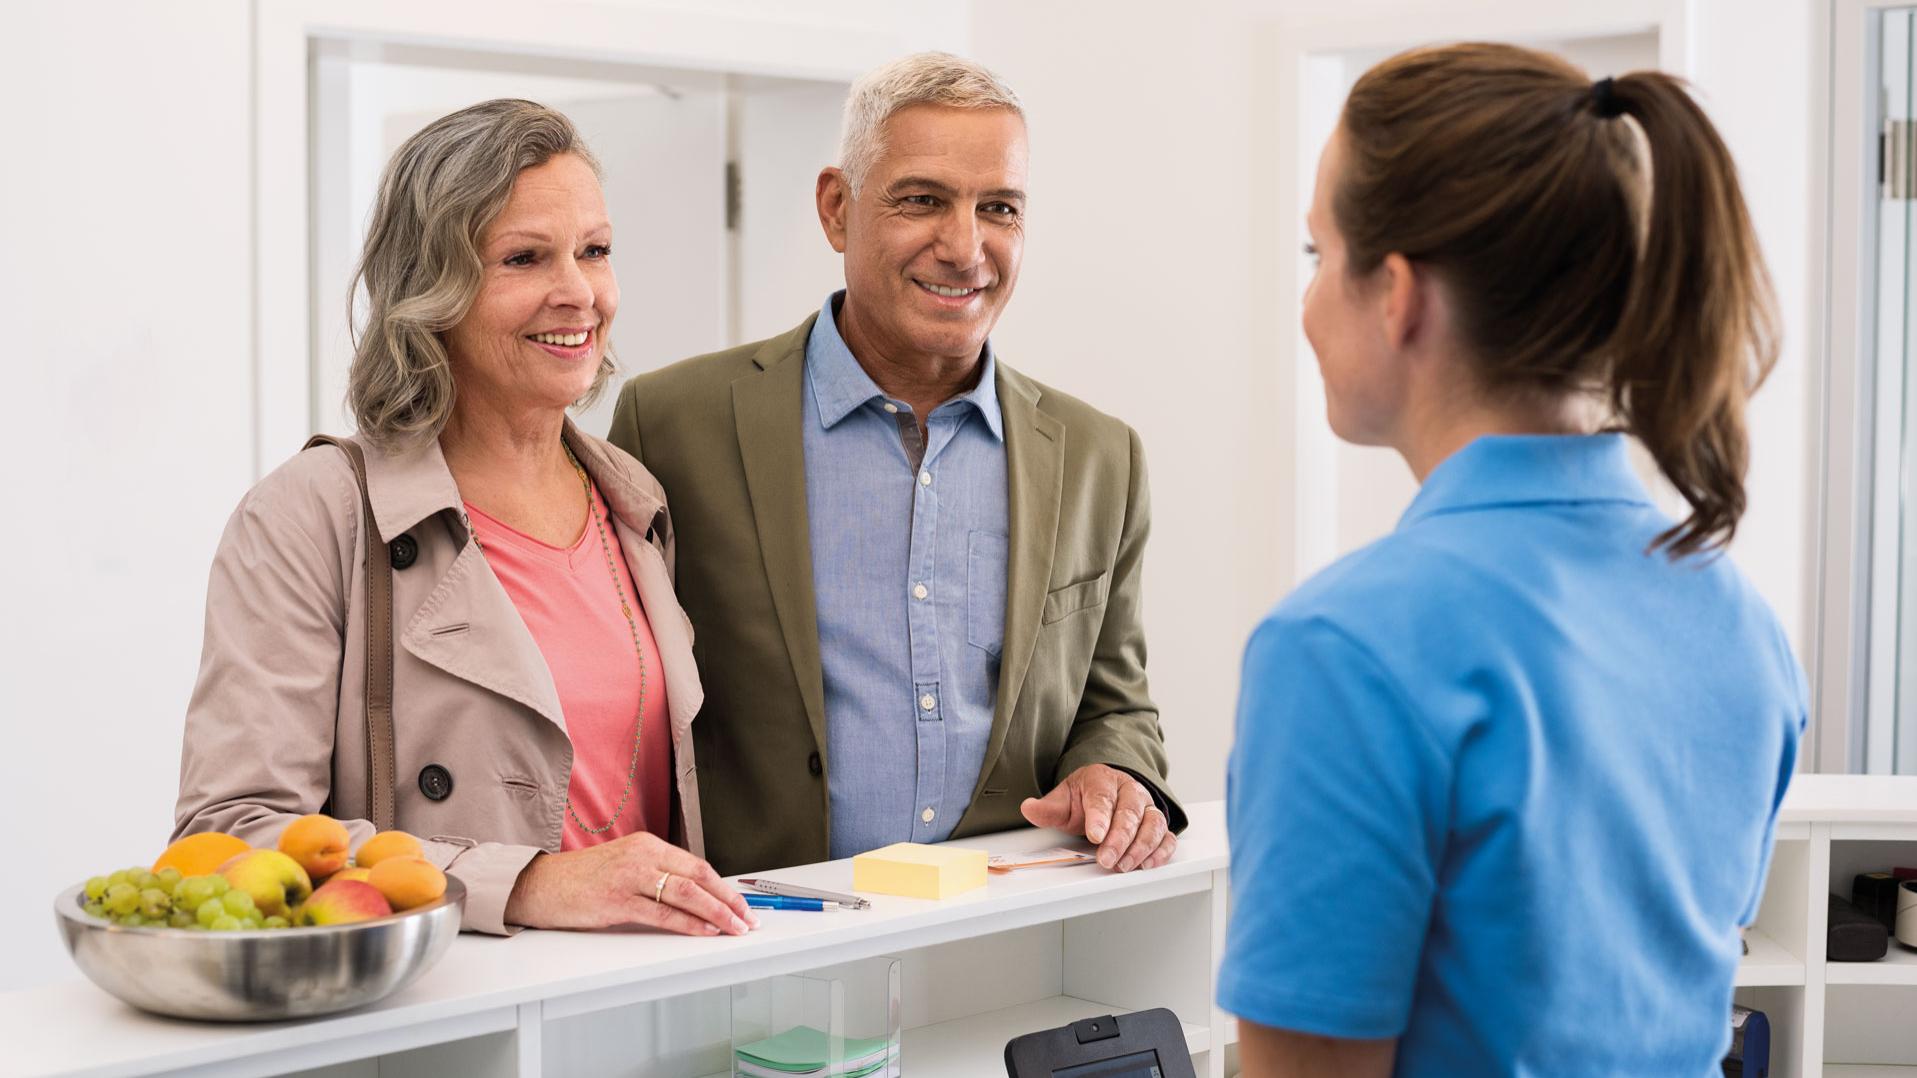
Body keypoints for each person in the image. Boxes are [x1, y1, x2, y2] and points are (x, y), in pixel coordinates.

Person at [1218, 44, 1804, 1077]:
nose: (1306, 305)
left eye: (1318, 256)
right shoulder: (1740, 626)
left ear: (1397, 294)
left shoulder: (1343, 650)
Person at [174, 99, 756, 940]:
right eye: (524, 258)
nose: (579, 293)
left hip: (648, 999)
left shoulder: (634, 500)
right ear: (429, 292)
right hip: (446, 1011)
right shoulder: (312, 514)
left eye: (594, 251)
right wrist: (524, 884)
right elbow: (227, 832)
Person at [608, 53, 1183, 877]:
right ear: (837, 210)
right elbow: (619, 702)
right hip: (757, 943)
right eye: (921, 200)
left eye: (1000, 208)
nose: (965, 246)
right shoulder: (671, 424)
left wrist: (1114, 772)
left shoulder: (1101, 456)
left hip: (1003, 941)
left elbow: (1115, 704)